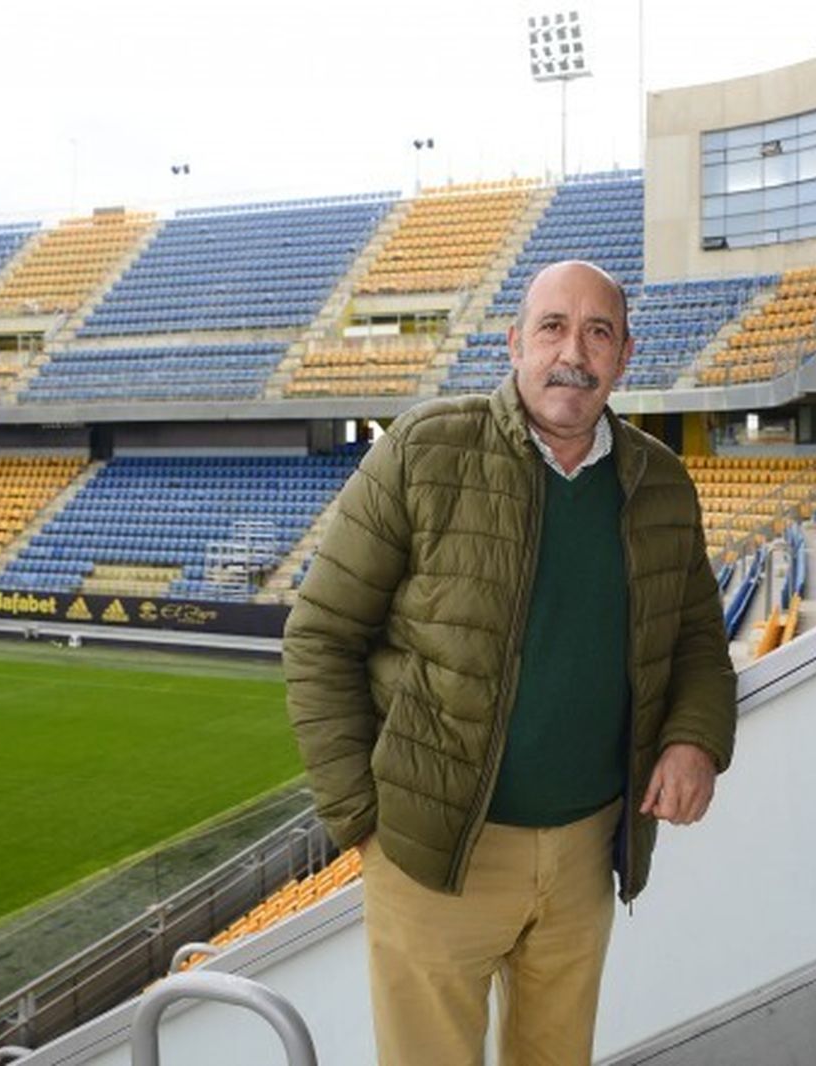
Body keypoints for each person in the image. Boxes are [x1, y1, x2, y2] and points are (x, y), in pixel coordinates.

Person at [283, 259, 737, 1065]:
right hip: (436, 850)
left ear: (624, 355)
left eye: (599, 332)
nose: (575, 351)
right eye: (554, 327)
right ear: (514, 343)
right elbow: (320, 635)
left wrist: (694, 738)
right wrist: (364, 821)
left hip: (589, 850)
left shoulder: (661, 483)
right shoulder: (425, 450)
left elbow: (699, 638)